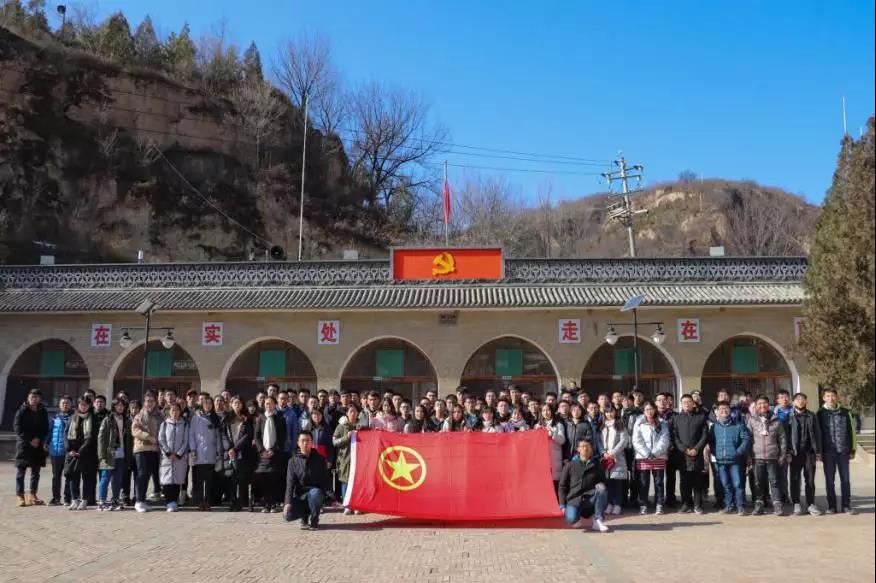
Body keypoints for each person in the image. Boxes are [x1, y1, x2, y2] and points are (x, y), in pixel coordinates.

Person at [817, 388, 857, 515]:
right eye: (828, 396)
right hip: (828, 452)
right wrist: (819, 452)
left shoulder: (845, 412)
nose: (831, 398)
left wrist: (853, 449)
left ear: (837, 397)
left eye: (833, 396)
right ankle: (832, 506)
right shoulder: (820, 413)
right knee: (830, 480)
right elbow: (818, 434)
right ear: (824, 398)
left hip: (843, 451)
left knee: (845, 479)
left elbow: (852, 431)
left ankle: (846, 505)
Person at [746, 395, 787, 516]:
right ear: (756, 406)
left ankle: (777, 505)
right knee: (758, 482)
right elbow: (748, 439)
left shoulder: (776, 420)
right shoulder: (752, 420)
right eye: (759, 404)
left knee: (774, 481)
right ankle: (759, 504)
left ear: (768, 405)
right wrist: (748, 456)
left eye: (764, 403)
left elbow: (782, 439)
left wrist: (782, 455)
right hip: (757, 456)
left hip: (772, 456)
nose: (762, 406)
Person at [558, 440, 610, 532]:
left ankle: (597, 520)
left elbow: (603, 481)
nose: (586, 448)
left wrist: (601, 484)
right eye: (583, 446)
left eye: (588, 446)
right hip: (574, 499)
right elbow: (562, 486)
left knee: (602, 491)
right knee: (571, 519)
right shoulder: (570, 465)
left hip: (590, 499)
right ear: (578, 449)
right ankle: (576, 518)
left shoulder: (596, 465)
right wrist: (562, 505)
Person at [284, 431, 332, 530]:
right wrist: (287, 502)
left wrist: (332, 497)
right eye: (302, 441)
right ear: (298, 443)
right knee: (288, 515)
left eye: (308, 440)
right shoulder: (292, 461)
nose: (305, 443)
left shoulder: (320, 459)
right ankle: (304, 518)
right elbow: (290, 483)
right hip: (300, 495)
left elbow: (325, 480)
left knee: (315, 494)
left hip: (315, 493)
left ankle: (314, 519)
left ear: (312, 443)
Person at [709, 401, 750, 515]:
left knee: (738, 484)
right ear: (717, 412)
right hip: (721, 461)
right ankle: (729, 505)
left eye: (726, 408)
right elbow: (711, 442)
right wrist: (715, 452)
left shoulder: (739, 425)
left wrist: (738, 452)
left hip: (735, 460)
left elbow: (746, 439)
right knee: (726, 484)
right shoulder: (714, 427)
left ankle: (740, 506)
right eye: (721, 409)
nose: (724, 411)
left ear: (730, 410)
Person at [673, 394, 710, 514]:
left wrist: (697, 449)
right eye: (684, 402)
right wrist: (684, 449)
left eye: (689, 402)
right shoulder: (677, 418)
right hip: (683, 456)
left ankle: (697, 505)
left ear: (693, 403)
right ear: (681, 404)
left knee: (697, 481)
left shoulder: (701, 417)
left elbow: (705, 435)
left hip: (697, 454)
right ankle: (685, 504)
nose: (687, 404)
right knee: (684, 482)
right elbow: (675, 437)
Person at [788, 393, 823, 516]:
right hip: (795, 453)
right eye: (798, 399)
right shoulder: (789, 416)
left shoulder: (811, 415)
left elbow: (818, 433)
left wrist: (818, 451)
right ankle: (796, 503)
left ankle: (811, 504)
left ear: (806, 401)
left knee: (810, 479)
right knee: (795, 479)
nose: (801, 401)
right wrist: (787, 452)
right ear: (793, 402)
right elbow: (785, 435)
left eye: (803, 399)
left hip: (809, 453)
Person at [13, 388, 50, 507]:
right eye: (32, 397)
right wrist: (30, 439)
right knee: (21, 472)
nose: (34, 399)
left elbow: (45, 427)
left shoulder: (42, 411)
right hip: (24, 445)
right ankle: (20, 496)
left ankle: (33, 495)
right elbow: (17, 428)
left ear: (40, 399)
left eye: (36, 397)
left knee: (36, 472)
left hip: (38, 445)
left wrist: (38, 438)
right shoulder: (21, 411)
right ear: (28, 398)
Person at [633, 401, 670, 515]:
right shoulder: (639, 423)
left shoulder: (662, 422)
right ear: (643, 411)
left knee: (659, 482)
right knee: (643, 482)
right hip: (643, 457)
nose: (649, 411)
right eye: (647, 409)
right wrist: (647, 453)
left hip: (659, 456)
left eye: (651, 409)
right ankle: (643, 504)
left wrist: (655, 453)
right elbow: (636, 440)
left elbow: (665, 439)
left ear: (655, 409)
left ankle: (659, 504)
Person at [96, 398, 132, 511]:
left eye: (122, 405)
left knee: (117, 478)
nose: (120, 407)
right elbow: (101, 438)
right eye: (117, 405)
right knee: (105, 477)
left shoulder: (127, 420)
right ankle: (102, 501)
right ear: (113, 407)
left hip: (121, 452)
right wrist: (101, 455)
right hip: (108, 453)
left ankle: (115, 499)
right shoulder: (108, 420)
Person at [254, 396, 288, 513]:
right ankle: (266, 504)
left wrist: (273, 450)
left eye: (271, 403)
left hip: (275, 453)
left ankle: (273, 504)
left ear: (275, 405)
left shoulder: (280, 418)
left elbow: (282, 437)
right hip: (263, 454)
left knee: (274, 479)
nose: (269, 406)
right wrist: (261, 450)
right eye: (266, 403)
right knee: (264, 479)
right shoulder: (260, 418)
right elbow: (257, 436)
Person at [189, 392, 222, 511]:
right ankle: (198, 502)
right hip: (198, 453)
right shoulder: (196, 417)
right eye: (205, 403)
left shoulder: (215, 418)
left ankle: (207, 502)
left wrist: (218, 451)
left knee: (209, 481)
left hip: (211, 453)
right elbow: (191, 434)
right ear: (202, 404)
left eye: (210, 404)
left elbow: (218, 437)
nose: (208, 405)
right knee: (198, 480)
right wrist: (193, 449)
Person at [222, 396, 256, 512]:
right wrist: (229, 448)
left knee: (242, 478)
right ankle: (233, 501)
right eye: (234, 403)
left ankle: (241, 501)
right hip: (230, 452)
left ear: (242, 405)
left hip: (242, 452)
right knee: (232, 478)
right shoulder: (227, 418)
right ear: (231, 404)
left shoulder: (247, 419)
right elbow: (223, 435)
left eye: (239, 403)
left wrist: (235, 449)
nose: (237, 405)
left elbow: (248, 436)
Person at [131, 392, 163, 512]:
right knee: (142, 474)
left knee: (148, 475)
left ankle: (143, 500)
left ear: (155, 402)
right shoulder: (140, 415)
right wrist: (148, 437)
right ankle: (138, 500)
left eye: (152, 401)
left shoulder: (159, 415)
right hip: (141, 449)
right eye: (147, 401)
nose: (149, 403)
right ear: (144, 402)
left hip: (154, 449)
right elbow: (135, 430)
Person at [65, 396, 98, 510]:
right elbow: (65, 434)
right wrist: (69, 449)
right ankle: (74, 500)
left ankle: (84, 501)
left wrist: (81, 451)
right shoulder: (72, 417)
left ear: (89, 406)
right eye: (81, 404)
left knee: (86, 477)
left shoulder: (93, 418)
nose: (83, 407)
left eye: (85, 405)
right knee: (73, 476)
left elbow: (92, 437)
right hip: (72, 453)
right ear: (78, 405)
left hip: (87, 453)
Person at [158, 403, 189, 512]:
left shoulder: (184, 424)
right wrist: (168, 452)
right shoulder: (164, 424)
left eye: (177, 410)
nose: (175, 413)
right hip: (167, 457)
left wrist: (179, 454)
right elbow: (161, 439)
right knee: (167, 480)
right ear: (169, 412)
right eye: (172, 410)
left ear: (180, 411)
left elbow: (186, 441)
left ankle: (174, 502)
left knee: (177, 480)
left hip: (179, 457)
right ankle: (168, 502)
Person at [600, 406, 629, 515]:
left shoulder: (620, 425)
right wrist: (604, 452)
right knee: (608, 482)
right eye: (607, 412)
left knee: (617, 482)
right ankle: (609, 503)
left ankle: (618, 504)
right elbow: (599, 441)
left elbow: (624, 441)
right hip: (605, 457)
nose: (609, 414)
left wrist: (613, 452)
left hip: (617, 457)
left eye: (611, 412)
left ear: (615, 412)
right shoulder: (602, 426)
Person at [332, 404, 359, 514]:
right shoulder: (341, 426)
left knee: (357, 482)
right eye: (350, 411)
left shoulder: (360, 426)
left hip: (359, 458)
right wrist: (346, 437)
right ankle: (347, 505)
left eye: (355, 411)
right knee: (345, 481)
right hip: (344, 458)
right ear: (347, 413)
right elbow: (334, 442)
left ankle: (357, 504)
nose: (353, 413)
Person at [47, 394, 73, 506]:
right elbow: (49, 432)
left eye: (67, 403)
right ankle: (56, 498)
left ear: (71, 405)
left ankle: (68, 498)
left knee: (69, 476)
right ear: (59, 405)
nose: (65, 405)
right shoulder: (54, 418)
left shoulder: (74, 418)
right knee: (56, 476)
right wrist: (46, 443)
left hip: (68, 452)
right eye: (63, 403)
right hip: (55, 451)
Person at [536, 404, 566, 493]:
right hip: (542, 458)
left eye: (548, 410)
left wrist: (552, 434)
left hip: (554, 458)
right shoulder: (538, 425)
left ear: (552, 411)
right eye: (543, 410)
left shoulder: (558, 424)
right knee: (543, 485)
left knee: (554, 484)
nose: (546, 412)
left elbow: (562, 440)